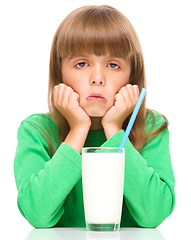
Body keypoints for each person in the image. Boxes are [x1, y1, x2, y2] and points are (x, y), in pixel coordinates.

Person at [14, 5, 175, 228]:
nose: (98, 78)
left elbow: (154, 214)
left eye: (113, 65)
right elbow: (37, 214)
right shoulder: (37, 131)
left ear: (131, 76)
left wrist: (115, 129)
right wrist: (78, 129)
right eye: (81, 64)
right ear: (59, 72)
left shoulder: (151, 127)